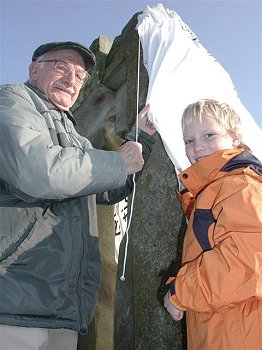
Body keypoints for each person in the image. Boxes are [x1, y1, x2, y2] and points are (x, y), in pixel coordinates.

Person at [0, 41, 156, 350]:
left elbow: (110, 188)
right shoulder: (12, 99)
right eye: (61, 67)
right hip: (14, 297)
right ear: (34, 70)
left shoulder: (77, 139)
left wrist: (141, 141)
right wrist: (118, 161)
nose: (72, 81)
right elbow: (37, 170)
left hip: (65, 310)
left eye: (80, 75)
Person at [163, 99, 262, 350]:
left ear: (235, 138)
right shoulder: (214, 192)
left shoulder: (239, 186)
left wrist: (180, 292)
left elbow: (247, 261)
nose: (198, 147)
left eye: (209, 134)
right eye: (189, 140)